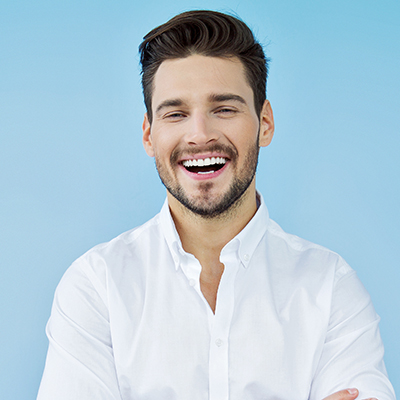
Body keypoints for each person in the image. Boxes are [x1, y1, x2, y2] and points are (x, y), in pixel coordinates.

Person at [37, 10, 395, 400]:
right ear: (148, 135)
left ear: (265, 122)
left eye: (224, 109)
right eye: (175, 113)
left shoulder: (331, 288)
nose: (199, 135)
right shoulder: (96, 286)